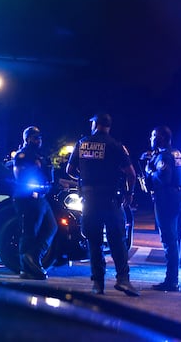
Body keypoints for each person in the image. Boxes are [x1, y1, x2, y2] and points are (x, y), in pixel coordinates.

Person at [66, 113, 139, 296]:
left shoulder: (82, 143)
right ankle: (123, 280)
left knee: (94, 242)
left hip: (90, 200)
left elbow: (69, 170)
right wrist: (129, 194)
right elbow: (131, 174)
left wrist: (83, 180)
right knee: (117, 241)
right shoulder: (116, 145)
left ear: (95, 124)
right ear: (108, 126)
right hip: (111, 199)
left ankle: (97, 284)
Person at [143, 126, 181, 292]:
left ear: (160, 138)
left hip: (166, 199)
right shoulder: (177, 152)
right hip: (179, 198)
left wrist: (150, 171)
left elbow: (164, 178)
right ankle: (173, 278)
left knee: (169, 240)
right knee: (175, 241)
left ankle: (171, 281)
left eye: (153, 135)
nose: (151, 139)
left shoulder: (164, 155)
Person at [12, 126, 57, 280]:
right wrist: (31, 191)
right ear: (28, 138)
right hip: (28, 198)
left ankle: (33, 258)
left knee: (52, 227)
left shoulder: (40, 155)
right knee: (29, 233)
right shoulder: (23, 154)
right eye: (35, 137)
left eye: (39, 137)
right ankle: (25, 269)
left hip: (41, 198)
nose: (38, 140)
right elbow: (19, 176)